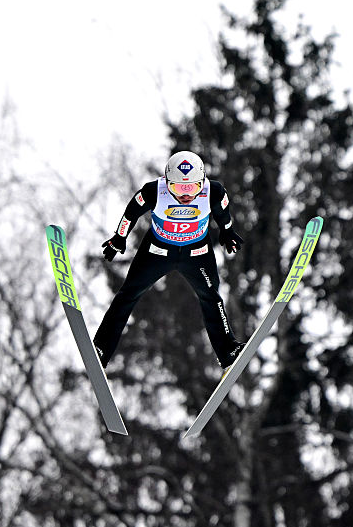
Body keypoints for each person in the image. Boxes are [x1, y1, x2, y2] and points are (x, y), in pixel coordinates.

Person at [93, 150, 247, 370]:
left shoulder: (214, 191)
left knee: (211, 297)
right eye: (177, 188)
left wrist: (227, 231)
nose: (186, 196)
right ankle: (101, 348)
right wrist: (119, 237)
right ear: (167, 182)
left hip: (197, 253)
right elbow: (131, 213)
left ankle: (228, 350)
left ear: (201, 182)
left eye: (192, 188)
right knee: (128, 294)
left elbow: (223, 213)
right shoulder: (154, 190)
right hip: (157, 251)